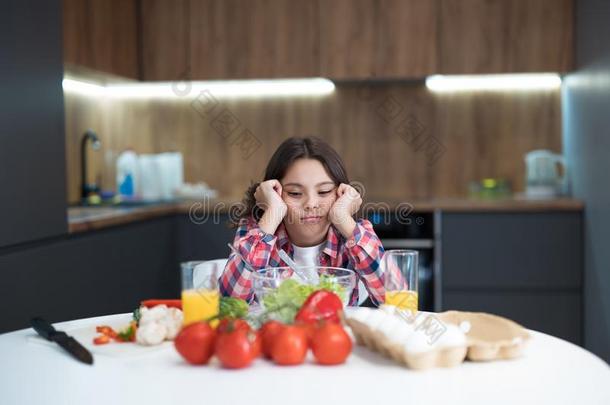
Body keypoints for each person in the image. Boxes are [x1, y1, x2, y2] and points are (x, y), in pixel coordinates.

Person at [219, 136, 385, 306]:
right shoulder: (256, 232)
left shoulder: (352, 234)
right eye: (295, 193)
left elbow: (396, 298)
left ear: (341, 193)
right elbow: (230, 302)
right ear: (275, 193)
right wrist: (273, 213)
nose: (311, 204)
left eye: (324, 191)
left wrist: (344, 219)